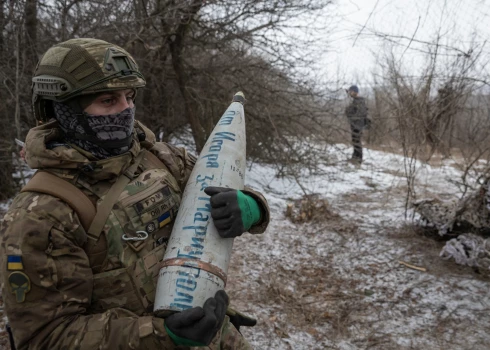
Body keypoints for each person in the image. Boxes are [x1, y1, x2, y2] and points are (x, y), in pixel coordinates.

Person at [0, 38, 269, 350]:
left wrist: (251, 208)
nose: (126, 109)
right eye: (108, 100)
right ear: (65, 110)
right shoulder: (41, 213)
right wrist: (160, 334)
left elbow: (224, 185)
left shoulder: (161, 157)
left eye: (129, 97)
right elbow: (46, 338)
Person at [345, 85, 370, 164]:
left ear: (355, 92)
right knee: (355, 141)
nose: (349, 93)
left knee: (357, 141)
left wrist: (351, 116)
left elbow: (360, 114)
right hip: (355, 124)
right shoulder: (355, 101)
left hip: (357, 125)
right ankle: (355, 157)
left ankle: (358, 159)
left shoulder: (359, 101)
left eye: (350, 91)